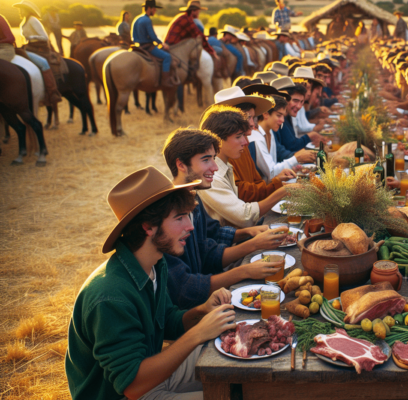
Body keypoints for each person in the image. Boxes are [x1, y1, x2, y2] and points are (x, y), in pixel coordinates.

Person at [65, 166, 236, 400]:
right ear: (148, 227)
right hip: (128, 392)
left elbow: (168, 321)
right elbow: (132, 385)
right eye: (179, 218)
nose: (191, 226)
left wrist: (202, 311)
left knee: (237, 371)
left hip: (154, 376)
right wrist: (197, 334)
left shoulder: (155, 263)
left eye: (188, 215)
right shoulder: (110, 297)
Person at [161, 128, 291, 309]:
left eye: (214, 159)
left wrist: (249, 234)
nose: (215, 167)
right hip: (191, 313)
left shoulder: (193, 198)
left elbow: (207, 248)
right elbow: (186, 289)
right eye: (206, 160)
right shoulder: (166, 219)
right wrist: (245, 268)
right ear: (181, 165)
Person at [197, 105, 286, 228]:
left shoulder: (227, 166)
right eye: (239, 137)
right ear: (217, 140)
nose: (246, 142)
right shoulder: (212, 176)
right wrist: (283, 191)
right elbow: (245, 218)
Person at [253, 95, 316, 181]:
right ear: (265, 114)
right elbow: (271, 173)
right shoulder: (256, 137)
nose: (282, 120)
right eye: (279, 115)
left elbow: (274, 166)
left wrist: (291, 168)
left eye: (283, 116)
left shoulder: (271, 132)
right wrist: (296, 159)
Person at [12, 0, 62, 105]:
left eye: (21, 9)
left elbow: (44, 37)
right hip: (30, 48)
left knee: (43, 63)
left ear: (27, 10)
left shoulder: (33, 20)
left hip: (39, 49)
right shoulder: (24, 21)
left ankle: (52, 92)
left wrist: (31, 37)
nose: (20, 12)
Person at [132, 0, 175, 88]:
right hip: (148, 47)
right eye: (154, 9)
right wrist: (163, 44)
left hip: (138, 46)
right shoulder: (147, 20)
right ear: (149, 8)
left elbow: (133, 35)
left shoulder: (137, 19)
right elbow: (153, 37)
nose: (155, 11)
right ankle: (165, 80)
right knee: (167, 57)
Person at [273, 78, 322, 152]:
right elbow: (291, 146)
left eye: (302, 102)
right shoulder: (279, 119)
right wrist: (309, 136)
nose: (299, 106)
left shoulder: (288, 115)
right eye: (295, 101)